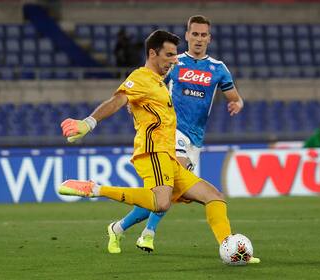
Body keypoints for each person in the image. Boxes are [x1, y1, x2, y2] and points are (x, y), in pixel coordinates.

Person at [59, 30, 259, 264]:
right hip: (153, 151)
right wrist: (88, 123)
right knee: (161, 202)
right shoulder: (141, 78)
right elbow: (118, 100)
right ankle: (95, 189)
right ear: (153, 53)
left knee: (214, 197)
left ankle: (231, 249)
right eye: (169, 55)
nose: (174, 60)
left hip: (169, 156)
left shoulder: (159, 82)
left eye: (175, 55)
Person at [111, 15, 245, 255]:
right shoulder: (174, 63)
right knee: (168, 189)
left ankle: (119, 227)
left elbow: (234, 96)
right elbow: (149, 84)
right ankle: (148, 234)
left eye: (203, 35)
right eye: (194, 34)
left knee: (166, 194)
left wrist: (237, 103)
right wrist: (133, 102)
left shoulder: (218, 69)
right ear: (187, 36)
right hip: (171, 133)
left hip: (195, 140)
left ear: (209, 38)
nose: (199, 39)